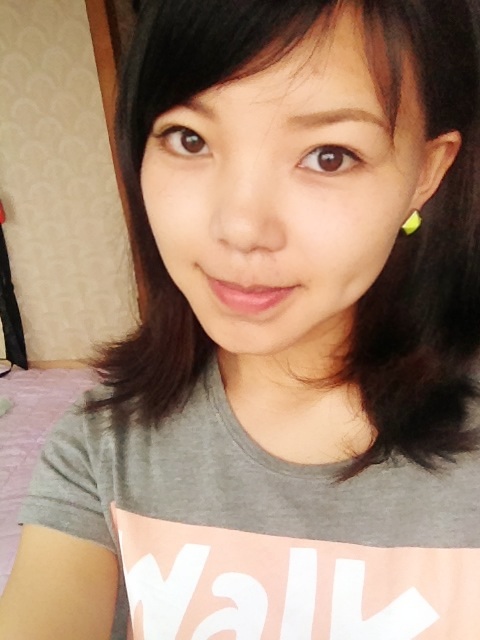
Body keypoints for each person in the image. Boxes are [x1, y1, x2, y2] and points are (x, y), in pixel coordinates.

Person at [1, 0, 480, 637]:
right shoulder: (102, 446)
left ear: (426, 172)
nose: (240, 228)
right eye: (189, 139)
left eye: (329, 155)